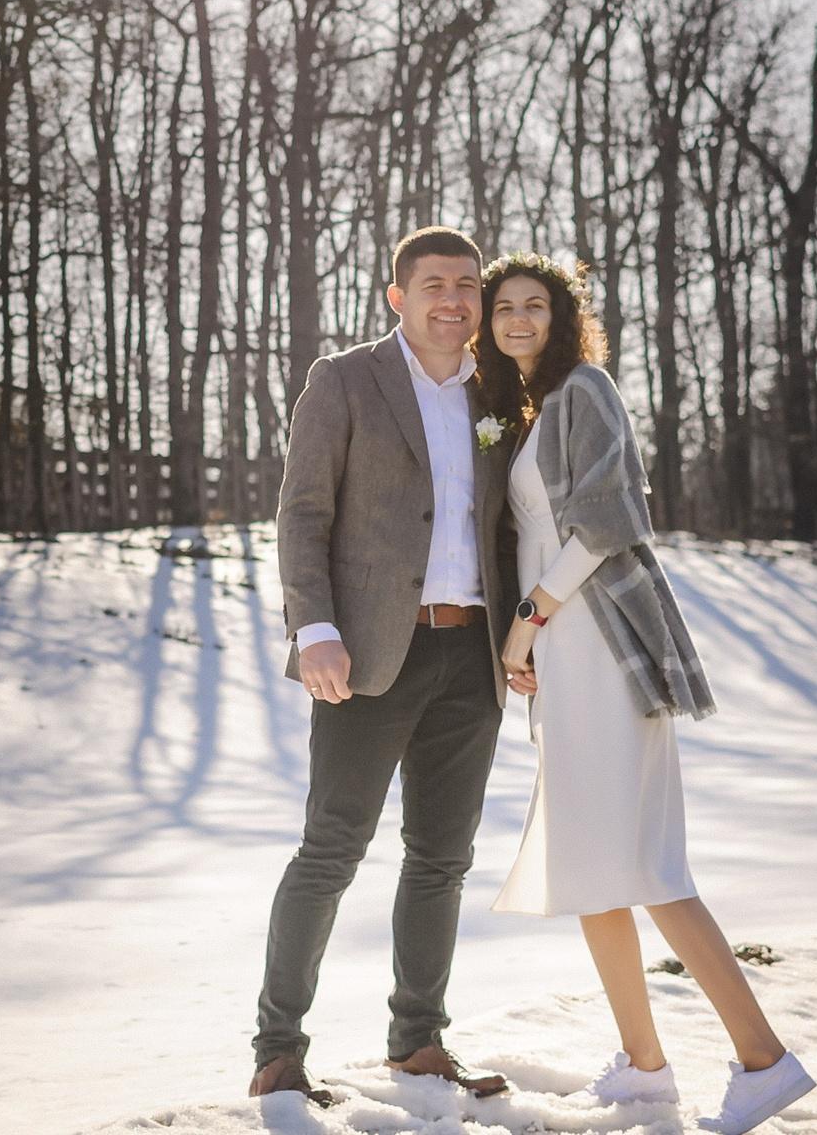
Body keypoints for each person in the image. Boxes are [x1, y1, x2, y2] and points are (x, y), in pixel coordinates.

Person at [479, 252, 816, 1135]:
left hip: (596, 645)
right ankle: (644, 1067)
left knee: (647, 864)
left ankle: (763, 1060)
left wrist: (528, 618)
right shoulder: (528, 409)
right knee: (596, 869)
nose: (518, 319)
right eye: (503, 307)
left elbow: (608, 520)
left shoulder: (584, 390)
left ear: (562, 317)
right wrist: (531, 639)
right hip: (563, 656)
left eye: (534, 306)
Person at [249, 226, 519, 1105]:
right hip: (366, 653)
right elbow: (302, 513)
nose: (454, 298)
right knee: (331, 851)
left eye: (468, 285)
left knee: (442, 859)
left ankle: (418, 1043)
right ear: (397, 296)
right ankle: (278, 1052)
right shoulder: (345, 379)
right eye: (434, 283)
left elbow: (518, 525)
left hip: (471, 654)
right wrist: (314, 625)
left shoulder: (500, 390)